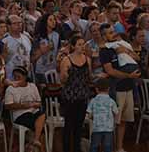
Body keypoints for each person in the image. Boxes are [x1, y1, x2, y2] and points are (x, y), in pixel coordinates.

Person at [99, 24, 141, 152]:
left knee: (124, 120)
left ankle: (119, 148)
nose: (114, 34)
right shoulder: (105, 51)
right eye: (110, 33)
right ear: (104, 36)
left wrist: (126, 51)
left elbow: (137, 58)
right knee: (113, 121)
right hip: (116, 89)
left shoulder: (122, 45)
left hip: (128, 87)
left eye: (113, 31)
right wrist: (129, 75)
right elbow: (110, 71)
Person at [60, 35, 92, 152]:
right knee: (69, 125)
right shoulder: (66, 60)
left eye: (83, 44)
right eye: (79, 44)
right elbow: (62, 80)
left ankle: (77, 148)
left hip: (82, 95)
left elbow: (89, 77)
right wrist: (65, 75)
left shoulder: (87, 59)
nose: (82, 47)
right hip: (70, 96)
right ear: (73, 46)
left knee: (79, 126)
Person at [4, 66, 46, 151]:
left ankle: (34, 142)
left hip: (34, 112)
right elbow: (8, 106)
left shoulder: (32, 86)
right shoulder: (10, 89)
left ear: (25, 77)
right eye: (14, 77)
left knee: (42, 114)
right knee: (40, 124)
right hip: (20, 115)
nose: (16, 79)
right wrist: (25, 105)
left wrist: (35, 104)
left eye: (18, 77)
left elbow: (39, 102)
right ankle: (34, 142)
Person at [87, 78, 118, 152]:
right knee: (108, 147)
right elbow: (116, 113)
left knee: (94, 146)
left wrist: (92, 117)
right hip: (108, 128)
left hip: (96, 128)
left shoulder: (93, 101)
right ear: (108, 89)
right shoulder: (111, 101)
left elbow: (89, 114)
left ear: (96, 89)